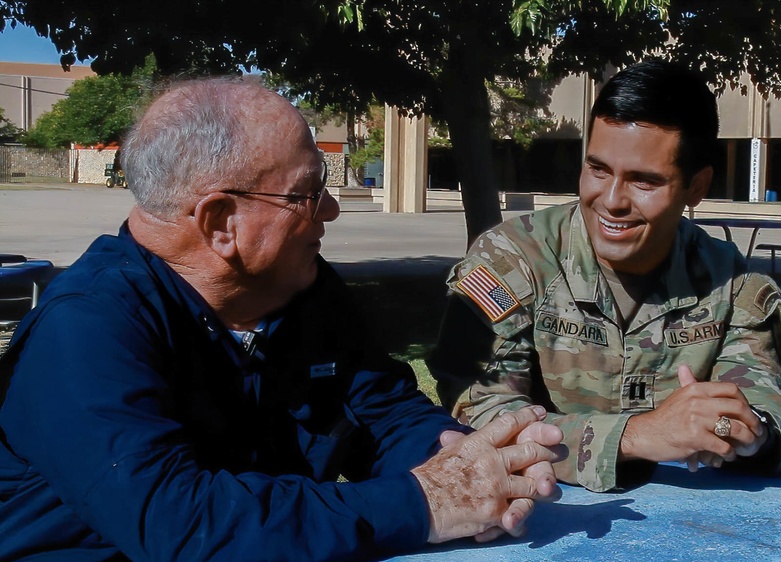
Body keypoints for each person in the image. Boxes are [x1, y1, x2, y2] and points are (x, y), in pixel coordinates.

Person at [0, 78, 564, 560]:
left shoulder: (301, 289)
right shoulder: (85, 330)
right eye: (308, 193)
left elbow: (382, 411)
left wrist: (473, 459)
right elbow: (185, 526)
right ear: (221, 222)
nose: (332, 210)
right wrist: (421, 504)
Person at [430, 60, 781, 493]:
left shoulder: (729, 282)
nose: (610, 201)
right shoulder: (514, 260)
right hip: (544, 512)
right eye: (598, 169)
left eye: (644, 182)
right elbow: (480, 406)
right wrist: (637, 436)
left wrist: (743, 432)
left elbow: (771, 419)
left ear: (697, 187)